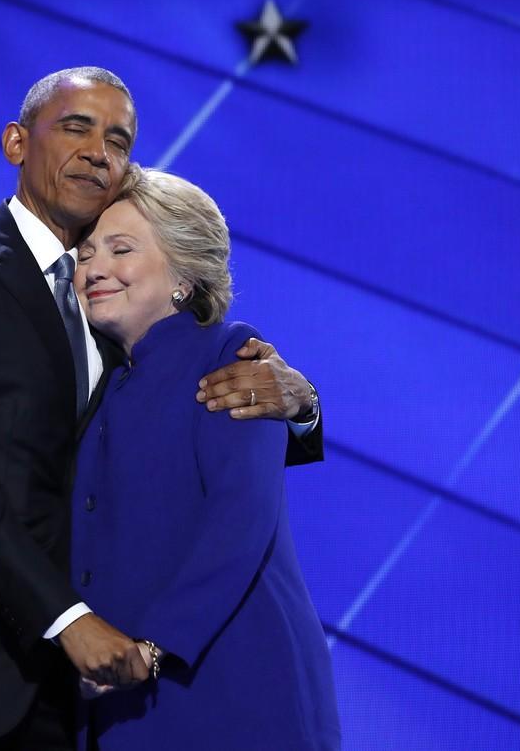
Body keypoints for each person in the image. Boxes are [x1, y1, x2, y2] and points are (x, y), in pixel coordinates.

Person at [0, 66, 324, 750]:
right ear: (15, 143)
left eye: (118, 139)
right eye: (75, 127)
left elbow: (195, 436)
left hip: (83, 694)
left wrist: (302, 401)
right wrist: (68, 618)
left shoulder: (121, 321)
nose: (99, 149)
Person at [70, 168, 340, 749]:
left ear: (184, 278)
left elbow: (240, 519)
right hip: (123, 702)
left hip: (230, 688)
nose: (94, 268)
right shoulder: (100, 381)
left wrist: (152, 645)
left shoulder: (230, 356)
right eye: (86, 252)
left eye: (121, 249)